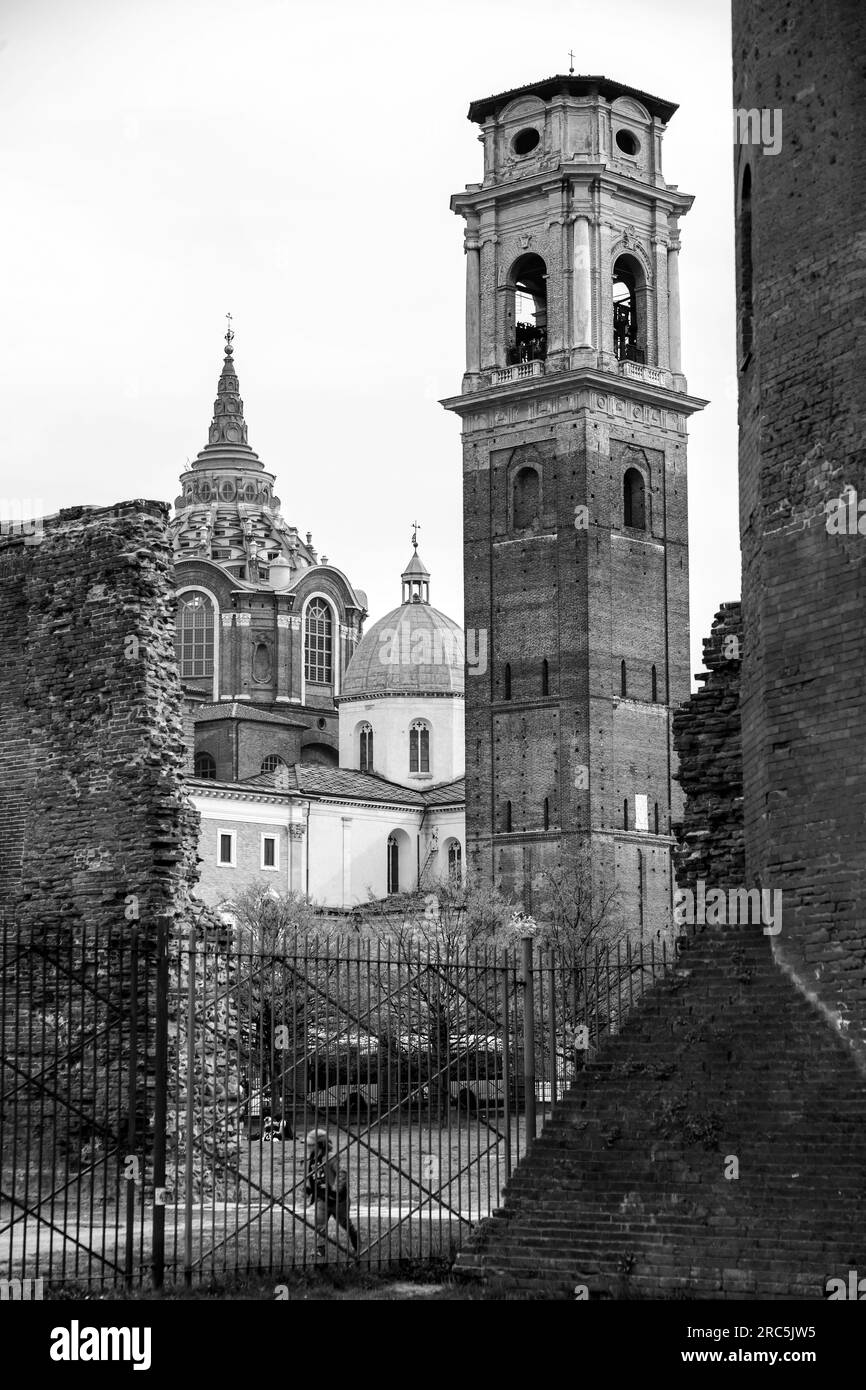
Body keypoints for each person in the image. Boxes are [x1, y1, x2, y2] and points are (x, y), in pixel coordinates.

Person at [304, 1129, 358, 1257]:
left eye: (312, 1145)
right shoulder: (312, 1159)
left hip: (337, 1200)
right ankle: (320, 1250)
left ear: (321, 1144)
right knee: (320, 1224)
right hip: (322, 1199)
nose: (309, 1147)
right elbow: (312, 1177)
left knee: (345, 1223)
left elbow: (342, 1172)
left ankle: (357, 1244)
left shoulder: (331, 1157)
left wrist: (336, 1188)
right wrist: (308, 1189)